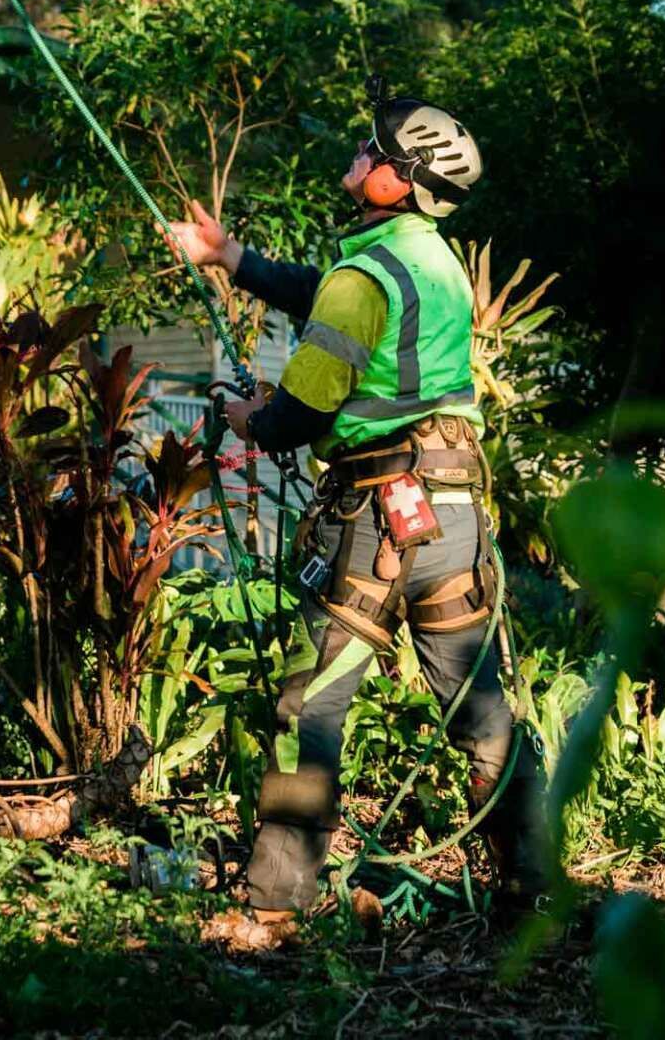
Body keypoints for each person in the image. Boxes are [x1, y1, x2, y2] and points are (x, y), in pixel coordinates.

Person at [166, 79, 549, 944]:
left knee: (312, 705)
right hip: (451, 517)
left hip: (375, 520)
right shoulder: (431, 260)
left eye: (376, 150)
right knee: (479, 709)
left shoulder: (364, 273)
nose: (362, 154)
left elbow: (296, 415)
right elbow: (329, 296)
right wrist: (232, 258)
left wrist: (244, 417)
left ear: (394, 182)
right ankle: (537, 891)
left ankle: (275, 904)